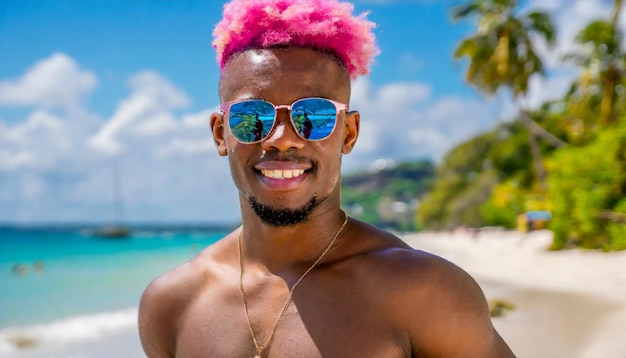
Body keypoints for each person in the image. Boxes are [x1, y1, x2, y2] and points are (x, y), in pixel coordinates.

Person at [138, 0, 515, 357]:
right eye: (252, 117)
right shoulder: (172, 302)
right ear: (221, 133)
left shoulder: (422, 292)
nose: (282, 137)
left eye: (313, 116)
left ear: (348, 133)